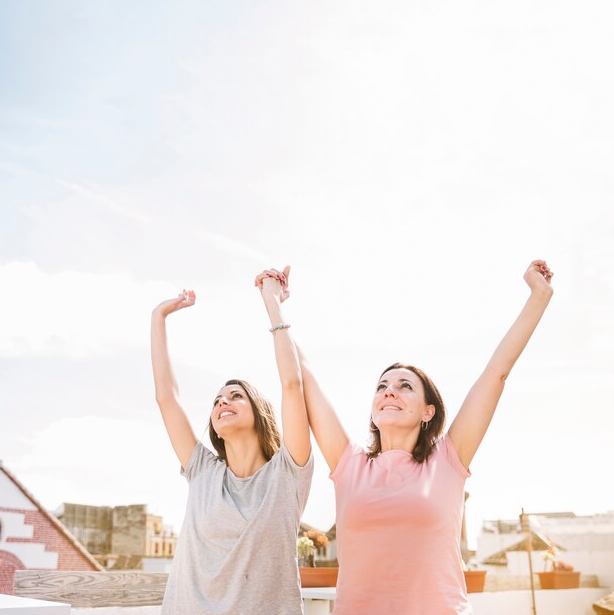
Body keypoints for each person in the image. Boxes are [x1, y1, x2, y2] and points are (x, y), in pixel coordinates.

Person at [258, 259, 554, 615]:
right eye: (382, 386)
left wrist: (539, 296)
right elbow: (303, 376)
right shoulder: (349, 465)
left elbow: (496, 373)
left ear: (429, 411)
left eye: (404, 386)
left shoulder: (447, 460)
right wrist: (273, 301)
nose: (389, 392)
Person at [150, 267, 312, 615]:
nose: (222, 402)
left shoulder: (288, 473)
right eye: (217, 400)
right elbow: (167, 398)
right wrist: (159, 317)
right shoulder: (202, 471)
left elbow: (292, 386)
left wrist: (272, 302)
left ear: (259, 410)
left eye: (235, 396)